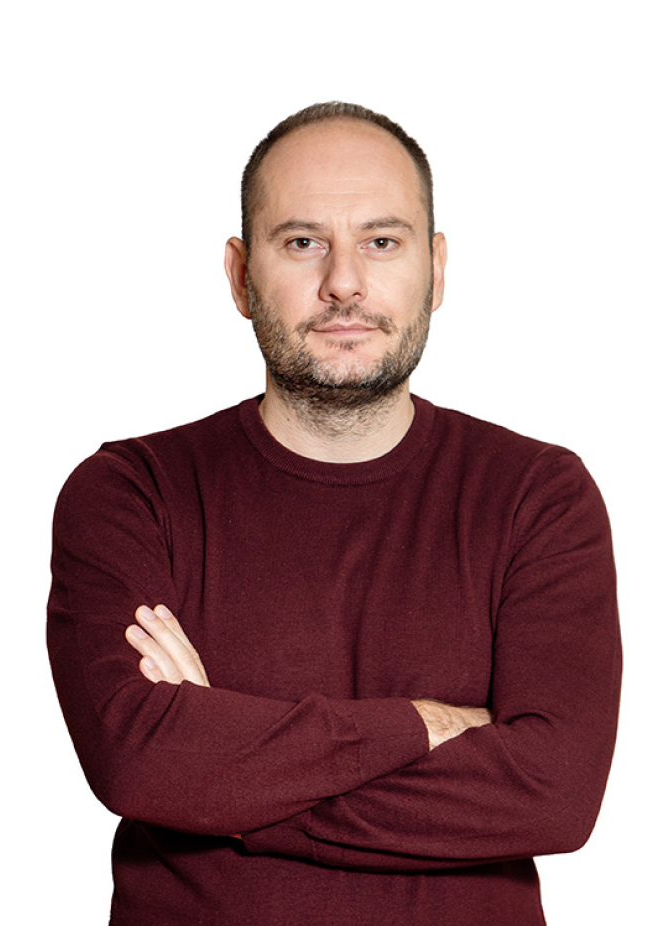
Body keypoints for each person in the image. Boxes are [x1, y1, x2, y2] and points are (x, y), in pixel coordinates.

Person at [47, 101, 621, 926]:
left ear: (437, 269)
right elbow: (141, 764)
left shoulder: (538, 495)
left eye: (381, 242)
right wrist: (421, 725)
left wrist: (229, 788)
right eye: (302, 242)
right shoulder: (130, 494)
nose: (343, 282)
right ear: (241, 276)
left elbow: (554, 793)